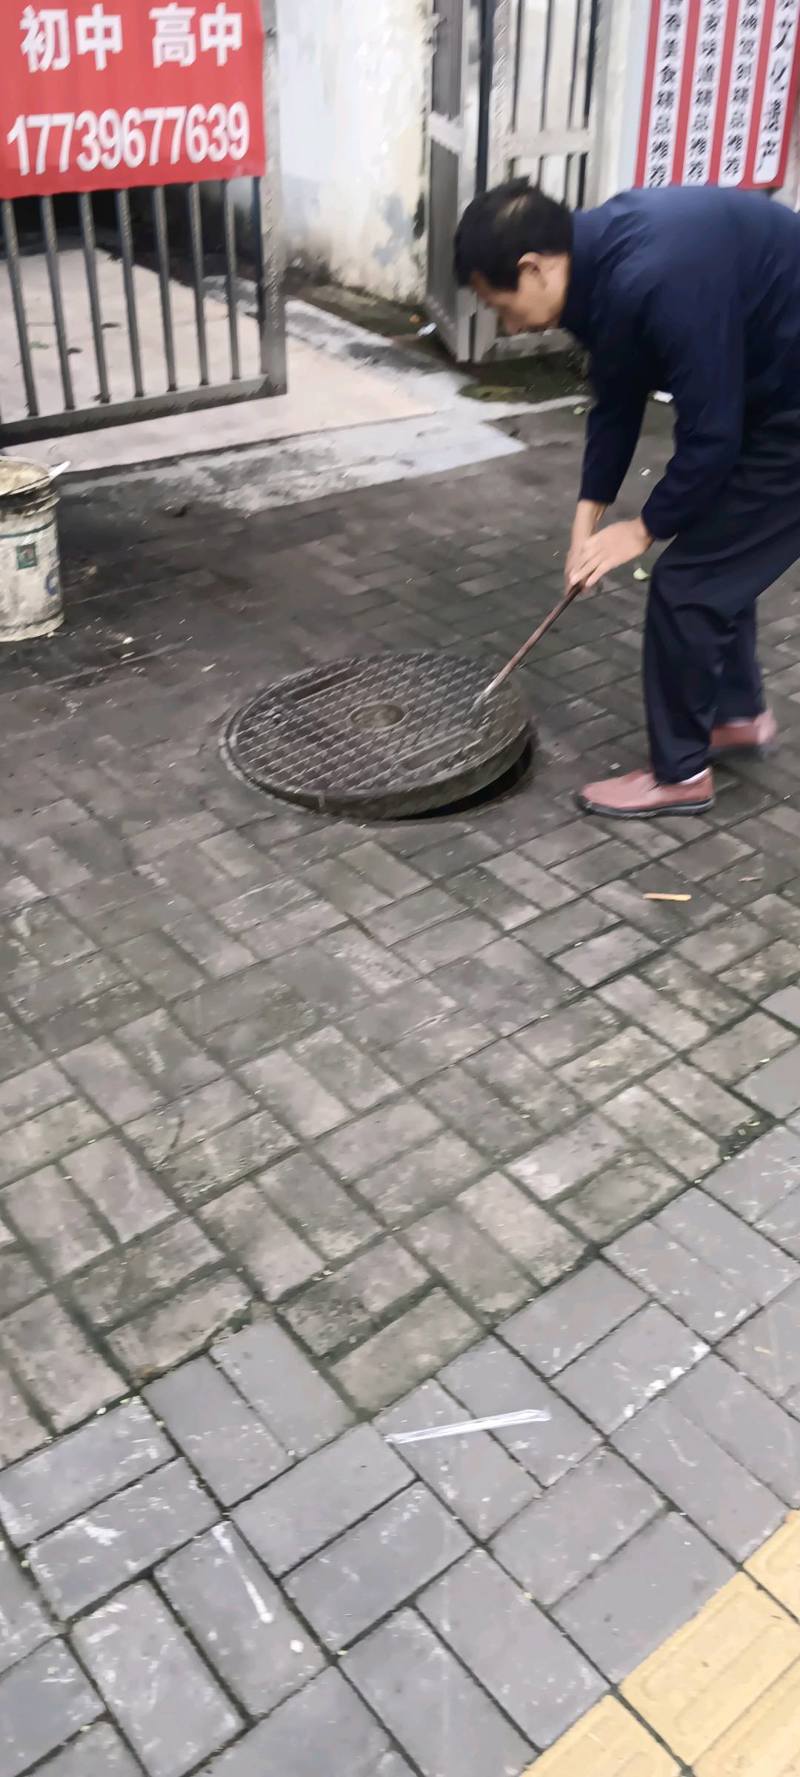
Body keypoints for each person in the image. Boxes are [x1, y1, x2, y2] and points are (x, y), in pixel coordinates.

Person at [454, 178, 800, 818]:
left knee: (687, 585)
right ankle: (735, 716)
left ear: (533, 268)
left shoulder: (655, 275)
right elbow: (615, 404)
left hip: (786, 405)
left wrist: (640, 530)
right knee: (717, 558)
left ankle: (681, 775)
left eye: (501, 305)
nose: (509, 324)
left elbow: (712, 438)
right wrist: (584, 527)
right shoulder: (596, 272)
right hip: (766, 385)